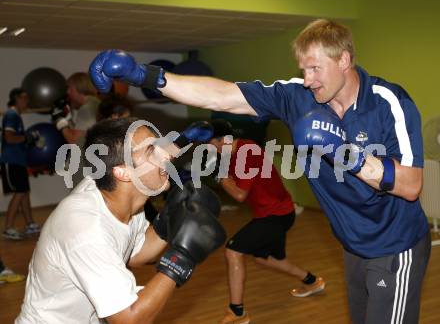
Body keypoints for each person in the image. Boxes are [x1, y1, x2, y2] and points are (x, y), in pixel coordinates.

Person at [89, 18, 431, 324]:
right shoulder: (298, 98)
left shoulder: (388, 102)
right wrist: (146, 76)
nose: (308, 80)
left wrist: (344, 152)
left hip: (395, 244)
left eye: (314, 69)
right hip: (353, 243)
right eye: (303, 70)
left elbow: (410, 185)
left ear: (344, 60)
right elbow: (224, 95)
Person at [15, 117, 226, 324]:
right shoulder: (86, 229)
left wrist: (170, 217)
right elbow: (129, 319)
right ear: (123, 172)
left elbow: (136, 253)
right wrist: (181, 258)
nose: (166, 156)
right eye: (152, 150)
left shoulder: (118, 195)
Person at [205, 119, 324, 324]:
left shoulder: (246, 152)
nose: (207, 148)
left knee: (233, 251)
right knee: (266, 259)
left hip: (275, 215)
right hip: (276, 213)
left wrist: (220, 177)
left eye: (208, 143)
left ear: (222, 140)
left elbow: (240, 194)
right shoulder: (233, 153)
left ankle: (237, 312)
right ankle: (312, 282)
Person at [1, 88, 40, 240]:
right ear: (16, 98)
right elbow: (9, 138)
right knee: (20, 193)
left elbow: (16, 139)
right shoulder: (11, 115)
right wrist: (27, 137)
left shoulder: (16, 115)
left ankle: (30, 224)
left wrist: (27, 139)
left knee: (24, 193)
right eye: (24, 98)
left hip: (18, 161)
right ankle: (8, 228)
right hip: (11, 161)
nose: (27, 101)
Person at [52, 72, 100, 146]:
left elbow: (75, 141)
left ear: (79, 87)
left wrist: (59, 120)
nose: (67, 92)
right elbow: (80, 132)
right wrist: (67, 118)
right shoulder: (95, 102)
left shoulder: (87, 109)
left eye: (69, 88)